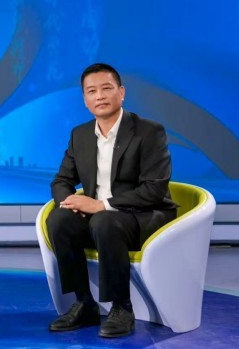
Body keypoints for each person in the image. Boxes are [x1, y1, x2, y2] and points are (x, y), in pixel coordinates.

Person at [46, 63, 177, 338]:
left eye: (107, 88)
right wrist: (70, 204)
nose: (100, 96)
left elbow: (154, 190)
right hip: (102, 220)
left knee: (105, 221)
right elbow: (61, 181)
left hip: (144, 216)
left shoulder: (149, 132)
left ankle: (122, 308)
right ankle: (84, 304)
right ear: (85, 99)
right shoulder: (80, 135)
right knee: (59, 219)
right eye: (91, 91)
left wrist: (101, 205)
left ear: (122, 92)